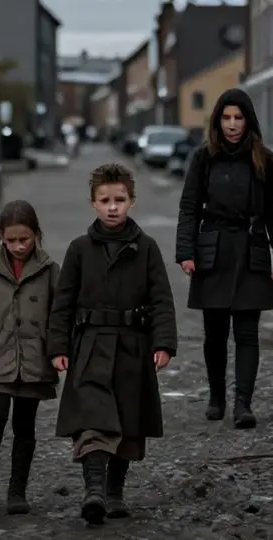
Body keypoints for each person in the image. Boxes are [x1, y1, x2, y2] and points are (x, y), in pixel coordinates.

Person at [48, 163, 177, 525]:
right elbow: (63, 303)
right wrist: (58, 347)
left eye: (120, 199)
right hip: (89, 346)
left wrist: (163, 342)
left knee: (128, 422)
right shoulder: (79, 250)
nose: (112, 207)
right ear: (93, 203)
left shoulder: (147, 248)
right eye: (105, 200)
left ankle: (115, 492)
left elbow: (161, 300)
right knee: (92, 418)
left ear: (132, 201)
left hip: (133, 349)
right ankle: (94, 491)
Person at [176, 88, 273, 429]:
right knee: (215, 333)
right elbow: (189, 207)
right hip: (212, 250)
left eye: (239, 117)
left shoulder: (264, 159)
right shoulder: (204, 158)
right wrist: (186, 252)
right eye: (226, 117)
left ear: (248, 120)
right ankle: (217, 396)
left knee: (247, 331)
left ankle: (243, 404)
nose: (232, 125)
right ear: (218, 120)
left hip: (250, 249)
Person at [0, 200, 60, 515]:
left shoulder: (49, 272)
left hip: (34, 362)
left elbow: (61, 314)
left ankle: (17, 490)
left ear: (36, 235)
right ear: (1, 238)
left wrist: (59, 349)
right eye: (11, 240)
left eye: (25, 239)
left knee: (24, 426)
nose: (18, 246)